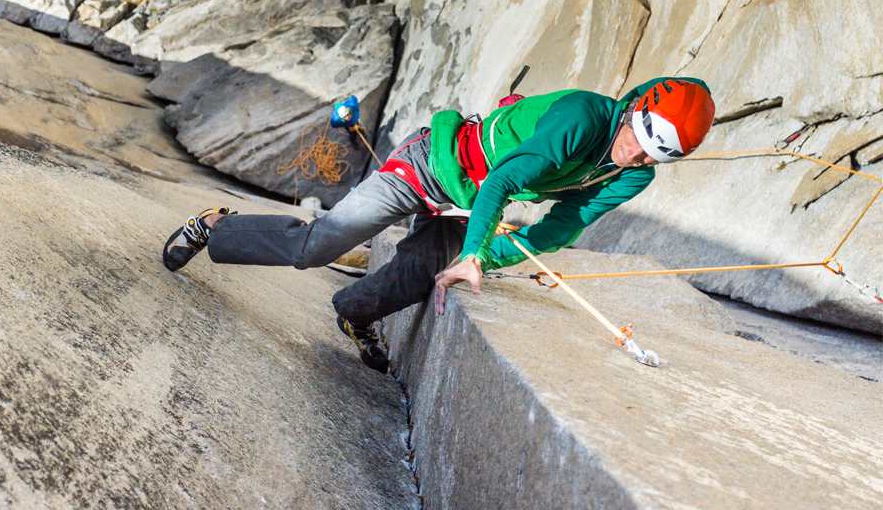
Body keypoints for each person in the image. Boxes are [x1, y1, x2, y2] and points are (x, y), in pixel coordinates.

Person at [161, 77, 715, 373]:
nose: (635, 158)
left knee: (418, 276)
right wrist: (476, 248)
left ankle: (354, 316)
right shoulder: (583, 118)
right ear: (633, 109)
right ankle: (218, 226)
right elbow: (502, 183)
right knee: (320, 243)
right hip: (432, 165)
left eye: (652, 158)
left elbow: (562, 227)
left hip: (464, 204)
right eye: (637, 143)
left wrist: (485, 258)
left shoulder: (632, 176)